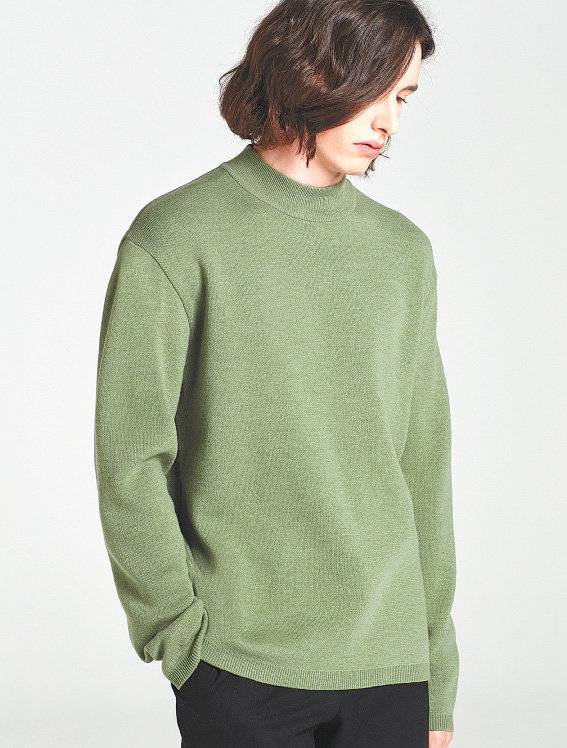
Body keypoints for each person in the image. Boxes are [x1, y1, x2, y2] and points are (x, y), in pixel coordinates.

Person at [94, 1, 459, 745]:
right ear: (313, 71)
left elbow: (423, 461)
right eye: (377, 89)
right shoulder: (177, 236)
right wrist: (178, 634)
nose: (389, 120)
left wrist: (436, 670)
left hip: (390, 666)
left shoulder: (401, 253)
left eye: (404, 97)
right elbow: (130, 454)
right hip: (239, 665)